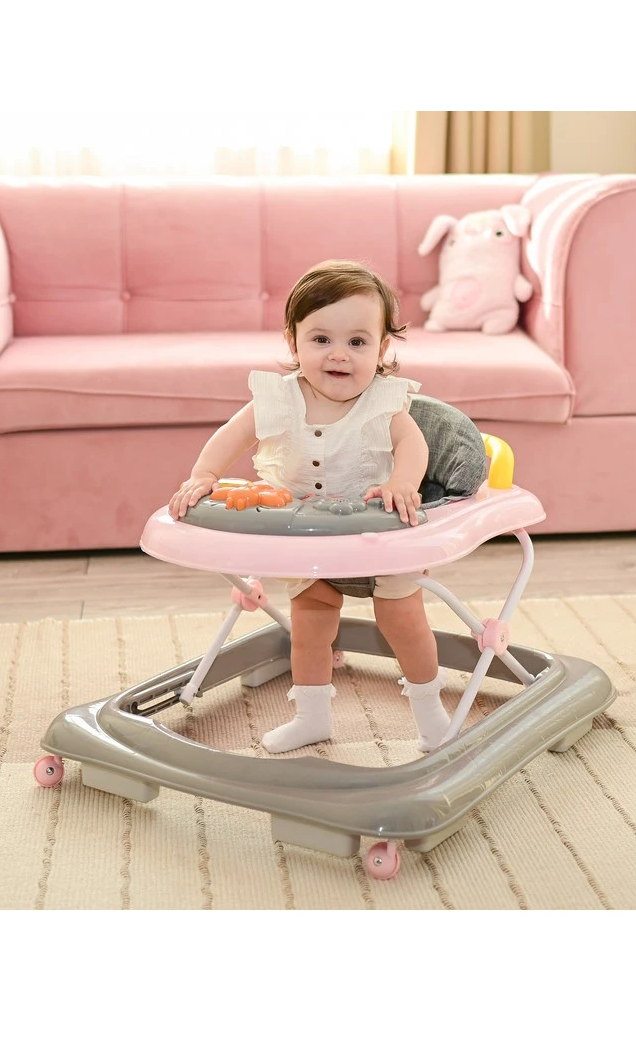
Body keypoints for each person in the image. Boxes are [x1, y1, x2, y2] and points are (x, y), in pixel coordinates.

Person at [168, 259, 452, 754]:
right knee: (310, 624)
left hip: (378, 534)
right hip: (306, 537)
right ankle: (311, 717)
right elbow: (231, 436)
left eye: (357, 342)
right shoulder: (276, 399)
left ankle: (433, 718)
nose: (338, 354)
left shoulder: (384, 401)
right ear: (293, 342)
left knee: (403, 621)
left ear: (382, 349)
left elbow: (413, 444)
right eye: (321, 339)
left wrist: (403, 483)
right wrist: (204, 476)